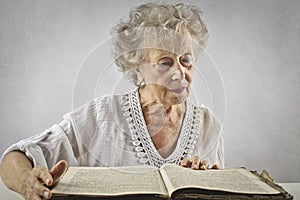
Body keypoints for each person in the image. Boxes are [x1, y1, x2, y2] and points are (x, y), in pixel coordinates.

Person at [0, 3, 224, 200]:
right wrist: (26, 182)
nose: (180, 73)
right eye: (165, 63)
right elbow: (15, 157)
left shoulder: (209, 125)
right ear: (138, 70)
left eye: (186, 60)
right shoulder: (101, 116)